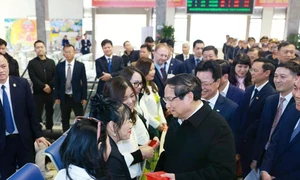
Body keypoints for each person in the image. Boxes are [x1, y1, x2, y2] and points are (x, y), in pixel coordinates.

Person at [155, 74, 236, 180]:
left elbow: (224, 172)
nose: (167, 105)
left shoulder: (217, 127)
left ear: (189, 97)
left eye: (170, 99)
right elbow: (168, 154)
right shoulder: (175, 119)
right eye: (166, 100)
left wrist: (179, 178)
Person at [0, 54, 50, 179]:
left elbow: (32, 112)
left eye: (3, 66)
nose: (1, 70)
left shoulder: (22, 84)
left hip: (23, 139)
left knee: (28, 174)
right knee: (7, 176)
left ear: (8, 67)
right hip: (3, 143)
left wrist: (38, 134)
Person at [103, 77, 156, 179]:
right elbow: (113, 160)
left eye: (132, 96)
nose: (130, 101)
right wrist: (139, 153)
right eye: (124, 98)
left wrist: (140, 148)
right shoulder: (110, 124)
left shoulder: (130, 114)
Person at [251, 61, 299, 170]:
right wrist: (255, 158)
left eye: (282, 77)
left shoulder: (296, 105)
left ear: (296, 79)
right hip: (263, 158)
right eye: (276, 76)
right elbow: (262, 130)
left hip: (284, 163)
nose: (277, 80)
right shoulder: (270, 100)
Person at [237, 58, 276, 177]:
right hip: (243, 144)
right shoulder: (249, 90)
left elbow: (264, 128)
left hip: (254, 149)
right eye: (251, 70)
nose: (251, 73)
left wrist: (256, 158)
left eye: (255, 70)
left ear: (267, 73)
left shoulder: (271, 95)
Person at [259, 73, 300, 180]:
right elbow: (275, 140)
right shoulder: (293, 109)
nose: (297, 95)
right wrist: (265, 170)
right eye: (296, 88)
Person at [195, 60, 238, 133]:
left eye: (206, 84)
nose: (201, 88)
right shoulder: (190, 102)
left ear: (217, 82)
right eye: (198, 83)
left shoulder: (231, 108)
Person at [55, 44, 87, 132]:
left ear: (74, 52)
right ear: (63, 53)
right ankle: (65, 137)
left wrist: (84, 97)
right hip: (64, 97)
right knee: (65, 118)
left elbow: (84, 82)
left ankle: (80, 135)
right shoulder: (59, 66)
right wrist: (57, 96)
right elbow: (56, 82)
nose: (68, 54)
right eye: (66, 52)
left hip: (77, 96)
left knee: (80, 119)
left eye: (70, 52)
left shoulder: (80, 66)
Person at [28, 40, 55, 130]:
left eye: (41, 47)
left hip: (50, 92)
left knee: (50, 111)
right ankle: (38, 131)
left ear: (45, 48)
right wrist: (43, 86)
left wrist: (49, 86)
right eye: (37, 47)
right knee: (37, 112)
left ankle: (49, 129)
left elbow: (55, 76)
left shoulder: (51, 62)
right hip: (38, 92)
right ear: (35, 50)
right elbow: (33, 77)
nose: (40, 49)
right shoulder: (32, 63)